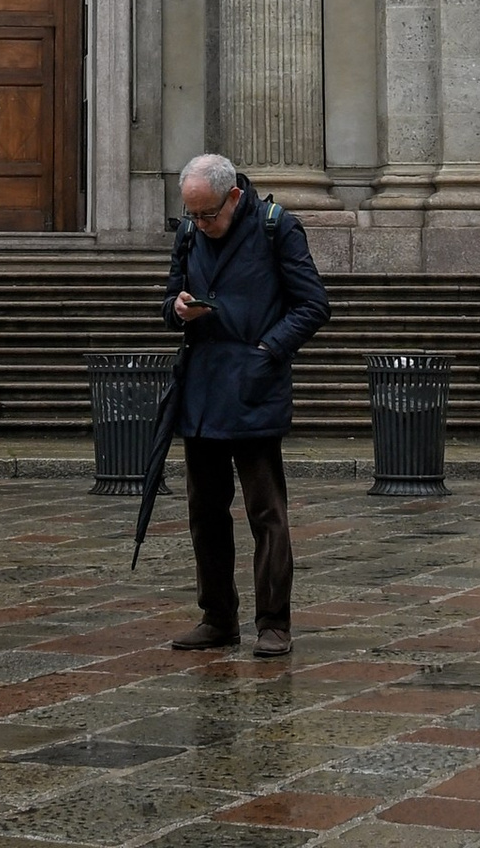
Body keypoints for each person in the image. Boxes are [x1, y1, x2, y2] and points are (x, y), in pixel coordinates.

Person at [150, 150, 331, 658]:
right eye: (193, 215)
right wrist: (177, 308)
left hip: (254, 388)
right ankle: (217, 618)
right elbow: (169, 298)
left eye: (209, 214)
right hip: (202, 390)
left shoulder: (278, 227)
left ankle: (274, 622)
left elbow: (313, 305)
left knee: (265, 512)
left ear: (234, 196)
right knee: (204, 512)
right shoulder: (189, 233)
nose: (201, 224)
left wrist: (268, 350)